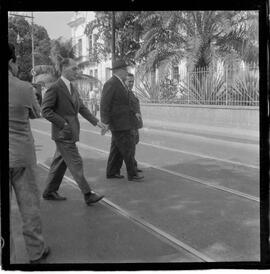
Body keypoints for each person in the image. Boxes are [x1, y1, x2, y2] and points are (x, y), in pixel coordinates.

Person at [41, 58, 106, 205]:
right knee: (76, 162)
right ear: (64, 68)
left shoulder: (72, 87)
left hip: (71, 132)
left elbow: (82, 108)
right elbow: (45, 110)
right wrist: (63, 123)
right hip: (63, 134)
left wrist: (97, 122)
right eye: (74, 68)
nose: (77, 71)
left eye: (77, 69)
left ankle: (49, 191)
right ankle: (88, 194)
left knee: (59, 163)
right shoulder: (55, 87)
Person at [8, 42, 50, 264]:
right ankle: (36, 251)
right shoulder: (24, 88)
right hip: (21, 156)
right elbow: (36, 113)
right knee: (29, 206)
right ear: (11, 61)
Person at [100, 59, 144, 182]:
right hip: (119, 123)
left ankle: (112, 171)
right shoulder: (111, 83)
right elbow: (104, 104)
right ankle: (132, 174)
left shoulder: (119, 83)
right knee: (127, 148)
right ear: (119, 71)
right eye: (125, 69)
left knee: (117, 149)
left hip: (123, 122)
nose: (127, 71)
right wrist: (105, 123)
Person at [124, 73, 143, 173]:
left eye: (132, 81)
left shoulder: (130, 92)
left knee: (132, 145)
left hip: (134, 124)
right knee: (130, 147)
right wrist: (135, 112)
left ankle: (113, 170)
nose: (131, 83)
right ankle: (132, 168)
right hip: (129, 124)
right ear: (124, 81)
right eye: (129, 81)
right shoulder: (124, 93)